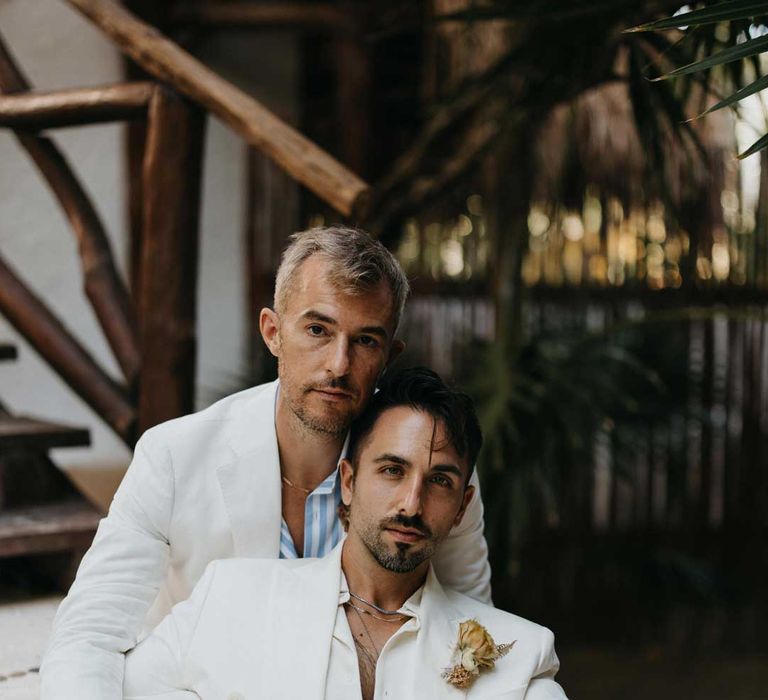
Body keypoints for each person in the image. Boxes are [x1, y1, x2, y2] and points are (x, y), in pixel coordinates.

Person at [41, 227, 492, 699]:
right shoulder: (174, 456)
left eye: (365, 342)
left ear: (389, 356)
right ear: (273, 332)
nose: (338, 364)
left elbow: (472, 629)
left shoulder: (427, 468)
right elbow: (88, 633)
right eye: (318, 330)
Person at [122, 368, 566, 700]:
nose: (411, 504)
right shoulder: (232, 597)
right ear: (348, 482)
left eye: (440, 481)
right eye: (393, 471)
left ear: (461, 508)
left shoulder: (519, 659)